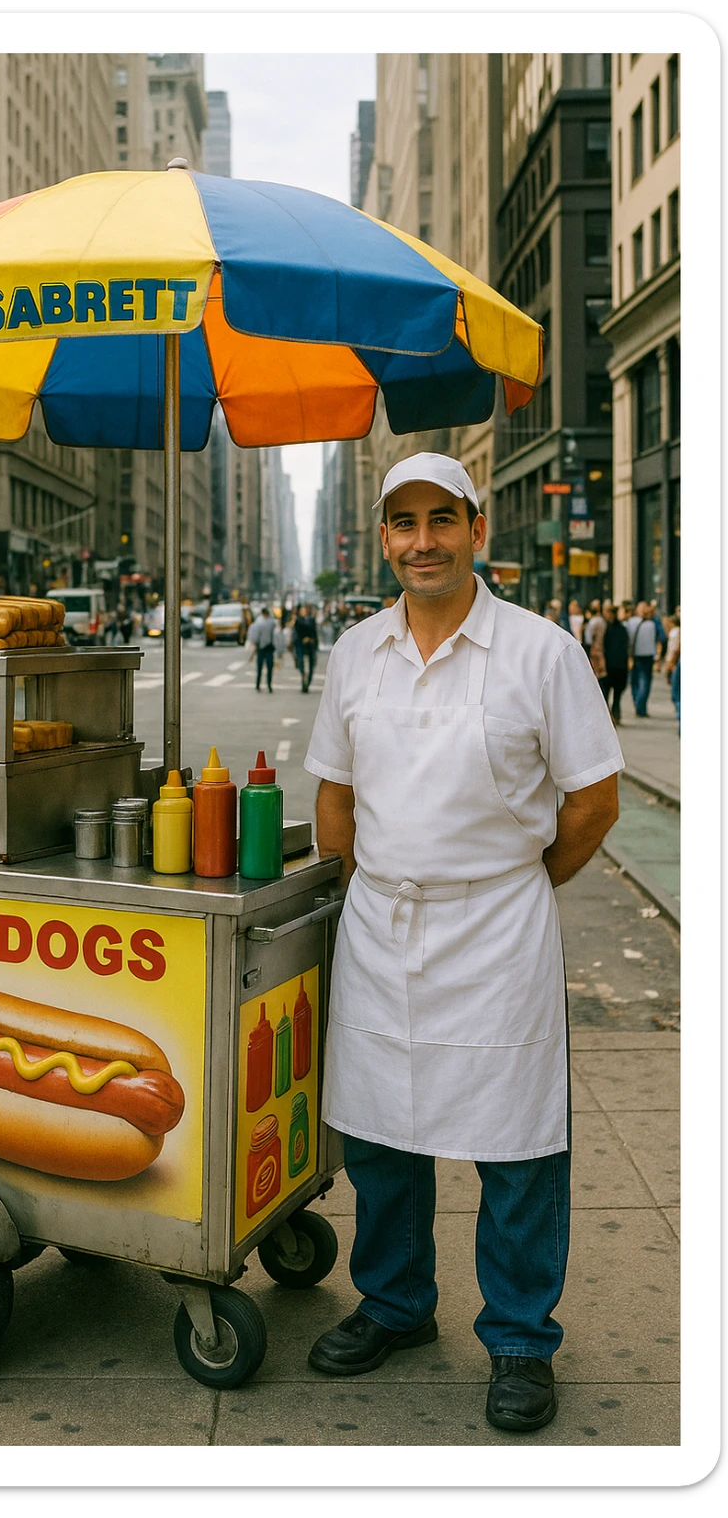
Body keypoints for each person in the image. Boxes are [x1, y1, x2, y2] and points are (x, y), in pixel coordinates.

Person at [303, 451, 623, 1434]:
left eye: (442, 519)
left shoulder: (540, 652)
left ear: (477, 531)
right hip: (381, 924)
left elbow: (594, 799)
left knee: (516, 1145)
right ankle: (395, 1304)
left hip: (495, 931)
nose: (423, 541)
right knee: (379, 1135)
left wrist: (514, 888)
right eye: (403, 523)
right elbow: (333, 796)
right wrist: (373, 887)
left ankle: (520, 1337)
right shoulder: (355, 652)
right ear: (383, 540)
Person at [626, 601, 661, 718]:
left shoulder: (631, 622)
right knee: (645, 680)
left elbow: (628, 639)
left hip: (635, 655)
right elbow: (661, 637)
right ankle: (641, 705)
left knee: (635, 680)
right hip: (648, 655)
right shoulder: (653, 623)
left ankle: (638, 703)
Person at [600, 600, 629, 723]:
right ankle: (614, 715)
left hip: (612, 665)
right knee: (613, 693)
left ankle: (611, 715)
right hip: (619, 665)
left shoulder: (608, 629)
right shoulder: (621, 629)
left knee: (609, 693)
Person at [247, 606, 277, 692]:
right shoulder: (272, 622)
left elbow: (255, 636)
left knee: (259, 667)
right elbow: (275, 635)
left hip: (261, 647)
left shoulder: (258, 622)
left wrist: (255, 644)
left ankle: (258, 684)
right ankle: (269, 685)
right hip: (269, 647)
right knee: (269, 668)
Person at [293, 604, 320, 692]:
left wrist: (313, 640)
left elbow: (314, 632)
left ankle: (307, 682)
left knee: (311, 664)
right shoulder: (298, 621)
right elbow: (297, 632)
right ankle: (303, 679)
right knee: (301, 662)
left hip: (310, 644)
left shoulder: (311, 620)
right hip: (301, 644)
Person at [664, 608, 681, 735]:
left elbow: (675, 648)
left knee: (677, 694)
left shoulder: (675, 632)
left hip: (677, 661)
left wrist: (670, 662)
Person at [583, 599, 607, 687]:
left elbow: (588, 637)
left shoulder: (594, 621)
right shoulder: (602, 620)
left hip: (594, 648)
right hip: (600, 648)